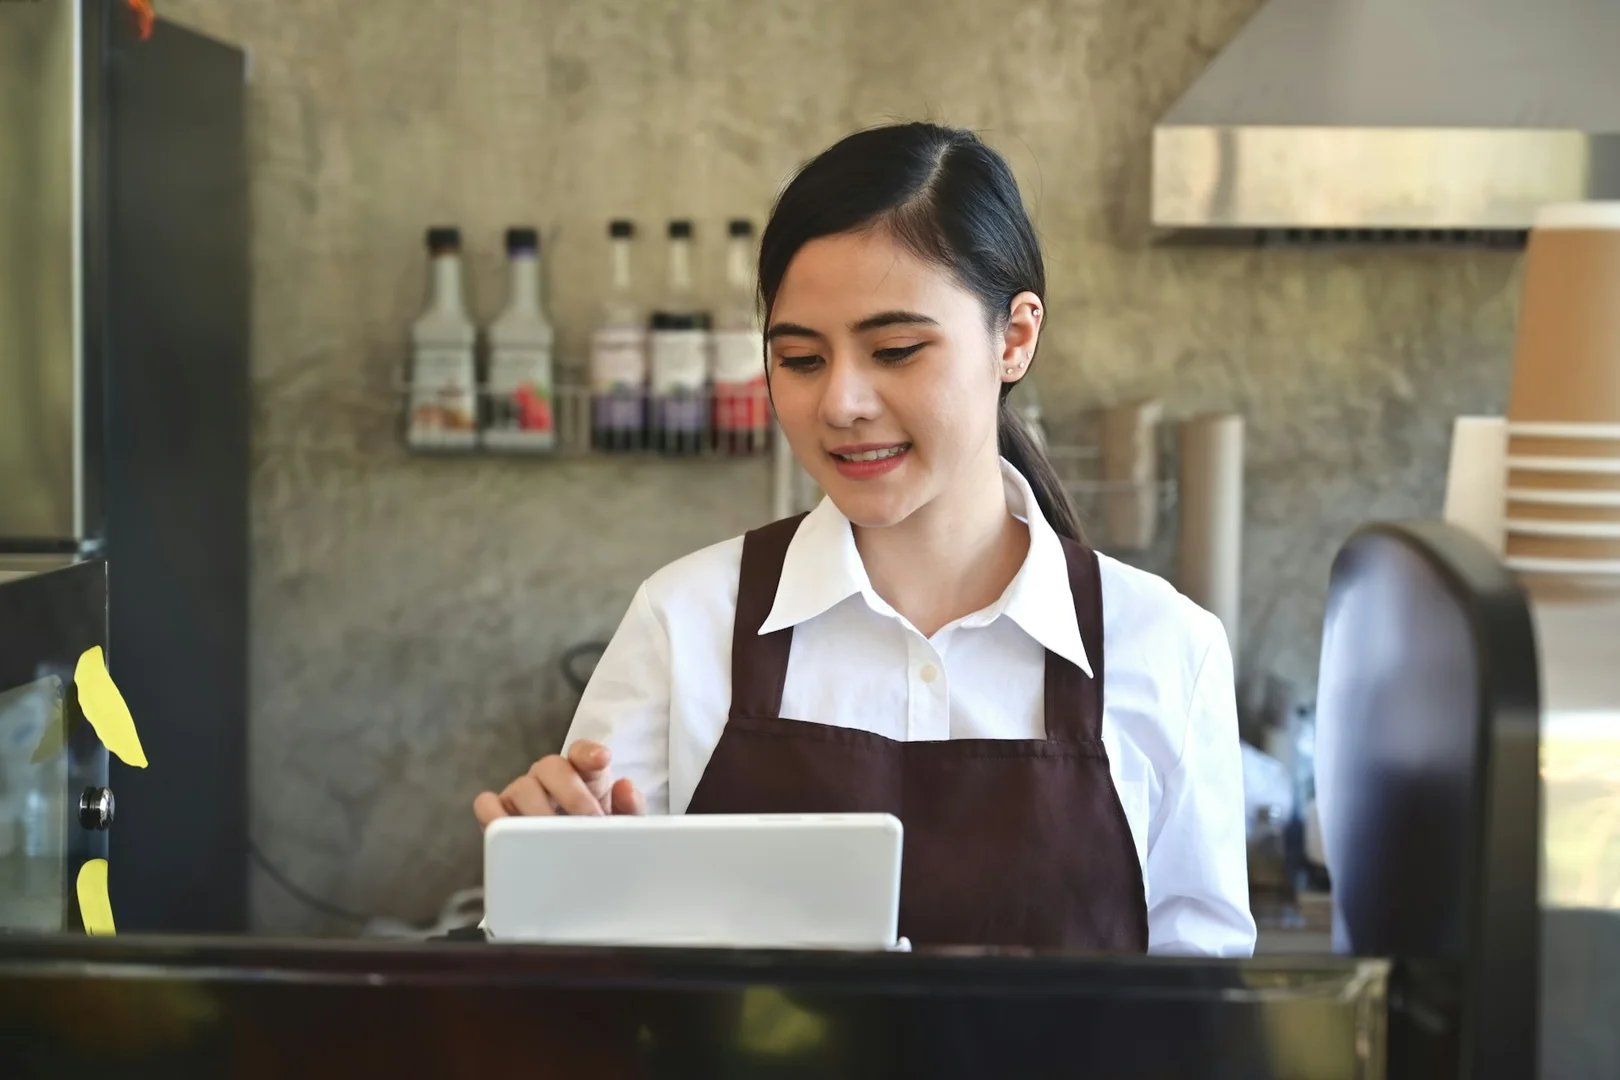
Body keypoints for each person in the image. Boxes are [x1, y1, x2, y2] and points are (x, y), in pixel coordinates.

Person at [475, 122, 1255, 957]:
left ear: (1015, 338)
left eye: (895, 350)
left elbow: (1205, 1024)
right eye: (802, 360)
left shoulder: (1168, 649)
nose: (842, 402)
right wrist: (551, 890)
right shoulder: (685, 623)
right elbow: (586, 996)